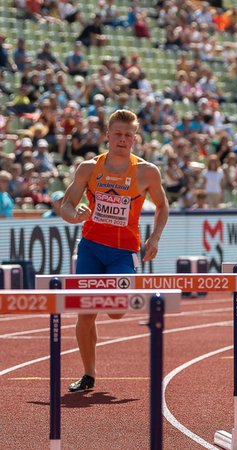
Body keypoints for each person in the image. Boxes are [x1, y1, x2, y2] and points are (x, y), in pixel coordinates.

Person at [60, 109, 169, 392]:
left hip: (124, 251)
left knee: (117, 310)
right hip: (91, 248)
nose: (123, 139)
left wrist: (155, 238)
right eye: (118, 134)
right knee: (86, 313)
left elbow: (162, 206)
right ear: (107, 135)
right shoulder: (88, 168)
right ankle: (88, 374)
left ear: (135, 138)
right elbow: (66, 204)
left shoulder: (146, 171)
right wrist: (74, 215)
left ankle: (111, 302)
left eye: (128, 135)